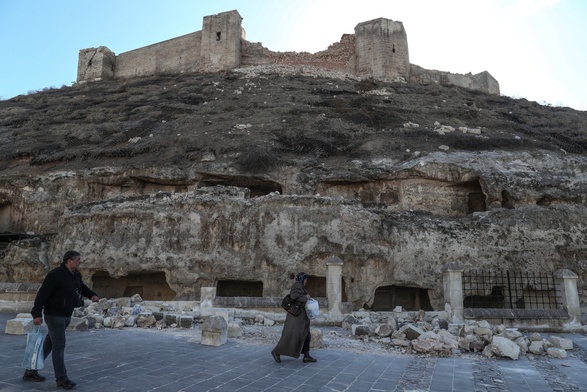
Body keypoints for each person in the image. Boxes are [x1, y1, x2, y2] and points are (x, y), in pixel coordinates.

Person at [23, 250, 99, 390]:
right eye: (77, 260)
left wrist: (92, 295)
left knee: (49, 345)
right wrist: (37, 314)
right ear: (69, 261)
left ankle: (30, 371)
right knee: (59, 346)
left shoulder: (76, 275)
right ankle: (62, 379)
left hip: (66, 315)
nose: (79, 262)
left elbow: (82, 287)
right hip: (54, 315)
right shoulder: (55, 275)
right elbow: (42, 294)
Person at [271, 272, 316, 363]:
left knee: (306, 334)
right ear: (302, 278)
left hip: (301, 316)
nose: (306, 281)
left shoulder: (300, 285)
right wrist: (305, 297)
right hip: (295, 318)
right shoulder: (297, 285)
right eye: (306, 279)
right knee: (290, 336)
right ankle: (276, 352)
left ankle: (306, 356)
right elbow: (294, 296)